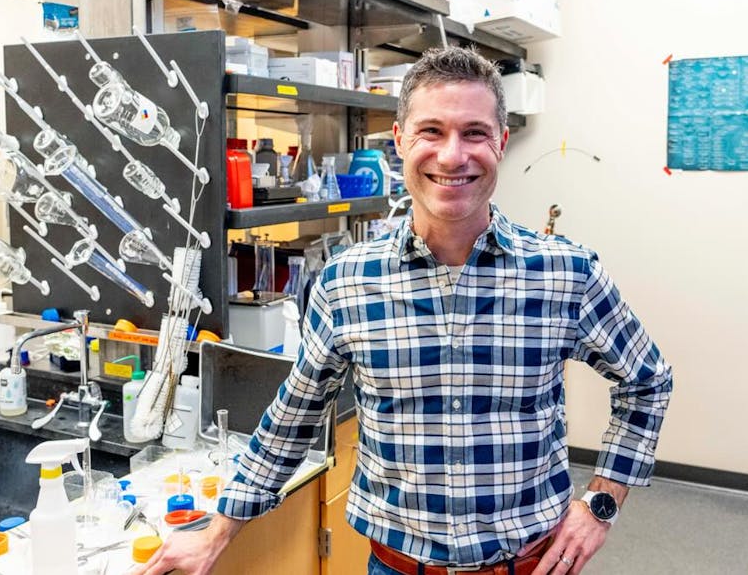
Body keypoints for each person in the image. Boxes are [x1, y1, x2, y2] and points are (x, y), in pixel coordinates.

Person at [131, 46, 673, 575]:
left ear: (502, 142)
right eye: (431, 131)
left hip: (529, 564)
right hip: (395, 566)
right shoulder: (347, 282)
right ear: (399, 141)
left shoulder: (565, 273)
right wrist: (217, 531)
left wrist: (601, 504)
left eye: (475, 132)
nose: (452, 155)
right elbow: (292, 420)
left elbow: (648, 381)